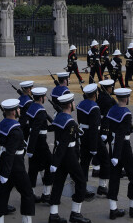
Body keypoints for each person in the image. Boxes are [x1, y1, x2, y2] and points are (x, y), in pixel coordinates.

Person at [106, 87, 133, 220]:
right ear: (126, 98)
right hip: (123, 146)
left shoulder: (112, 109)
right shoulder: (126, 113)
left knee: (114, 177)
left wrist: (113, 152)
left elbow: (112, 129)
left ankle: (113, 209)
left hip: (113, 145)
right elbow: (120, 134)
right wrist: (116, 156)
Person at [48, 92, 90, 223]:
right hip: (69, 154)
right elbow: (65, 143)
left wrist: (56, 161)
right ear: (70, 104)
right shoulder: (70, 122)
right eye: (73, 103)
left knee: (58, 183)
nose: (74, 104)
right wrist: (55, 163)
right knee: (81, 181)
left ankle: (53, 214)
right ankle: (76, 213)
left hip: (61, 155)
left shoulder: (59, 117)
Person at [0, 98, 35, 223]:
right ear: (12, 112)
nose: (19, 110)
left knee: (3, 193)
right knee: (27, 193)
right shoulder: (15, 130)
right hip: (15, 165)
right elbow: (11, 153)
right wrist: (6, 174)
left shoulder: (3, 123)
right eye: (17, 109)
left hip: (4, 161)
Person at [26, 87, 53, 204]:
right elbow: (37, 130)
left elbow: (34, 127)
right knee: (51, 165)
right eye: (45, 96)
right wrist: (30, 149)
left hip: (34, 141)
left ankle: (30, 194)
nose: (46, 98)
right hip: (40, 142)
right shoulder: (41, 111)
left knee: (33, 168)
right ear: (41, 98)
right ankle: (46, 194)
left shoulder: (32, 107)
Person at [77, 84, 104, 197]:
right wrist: (93, 147)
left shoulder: (80, 104)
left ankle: (82, 189)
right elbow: (93, 128)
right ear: (95, 94)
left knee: (84, 163)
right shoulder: (94, 107)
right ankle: (103, 186)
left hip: (83, 134)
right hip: (92, 137)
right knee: (105, 160)